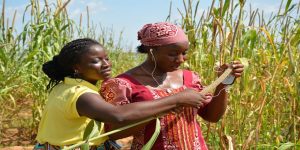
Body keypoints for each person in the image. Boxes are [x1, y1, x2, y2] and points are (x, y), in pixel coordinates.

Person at [34, 38, 208, 149]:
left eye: (106, 58)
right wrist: (176, 99)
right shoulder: (81, 94)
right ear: (76, 68)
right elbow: (118, 116)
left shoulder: (66, 86)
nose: (106, 64)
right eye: (96, 61)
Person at [100, 22, 244, 149]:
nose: (181, 59)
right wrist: (174, 102)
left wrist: (224, 82)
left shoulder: (189, 78)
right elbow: (115, 131)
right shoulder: (122, 84)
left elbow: (212, 116)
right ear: (151, 51)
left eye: (184, 53)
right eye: (173, 54)